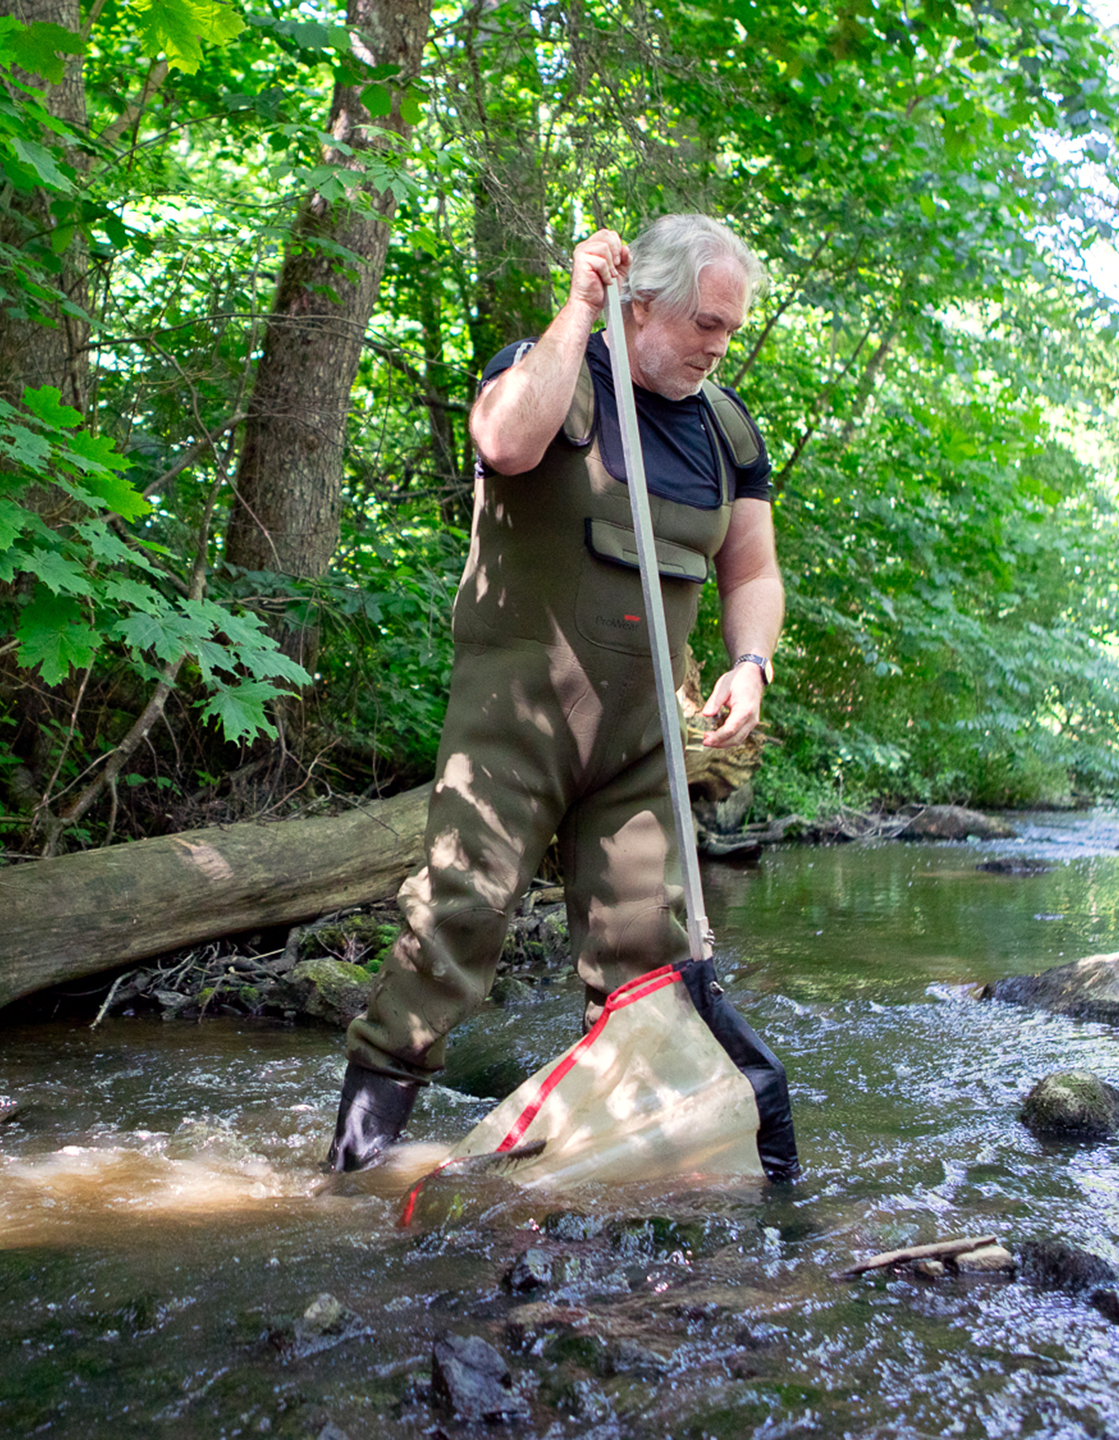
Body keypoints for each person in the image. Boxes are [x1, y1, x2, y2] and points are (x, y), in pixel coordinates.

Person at [324, 214, 799, 1179]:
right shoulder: (550, 373)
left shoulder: (729, 432)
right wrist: (579, 308)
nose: (719, 345)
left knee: (648, 958)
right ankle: (353, 1171)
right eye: (706, 323)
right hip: (516, 718)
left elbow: (752, 569)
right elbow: (503, 442)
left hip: (644, 742)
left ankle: (607, 1187)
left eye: (731, 329)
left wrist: (750, 662)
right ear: (642, 303)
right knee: (455, 917)